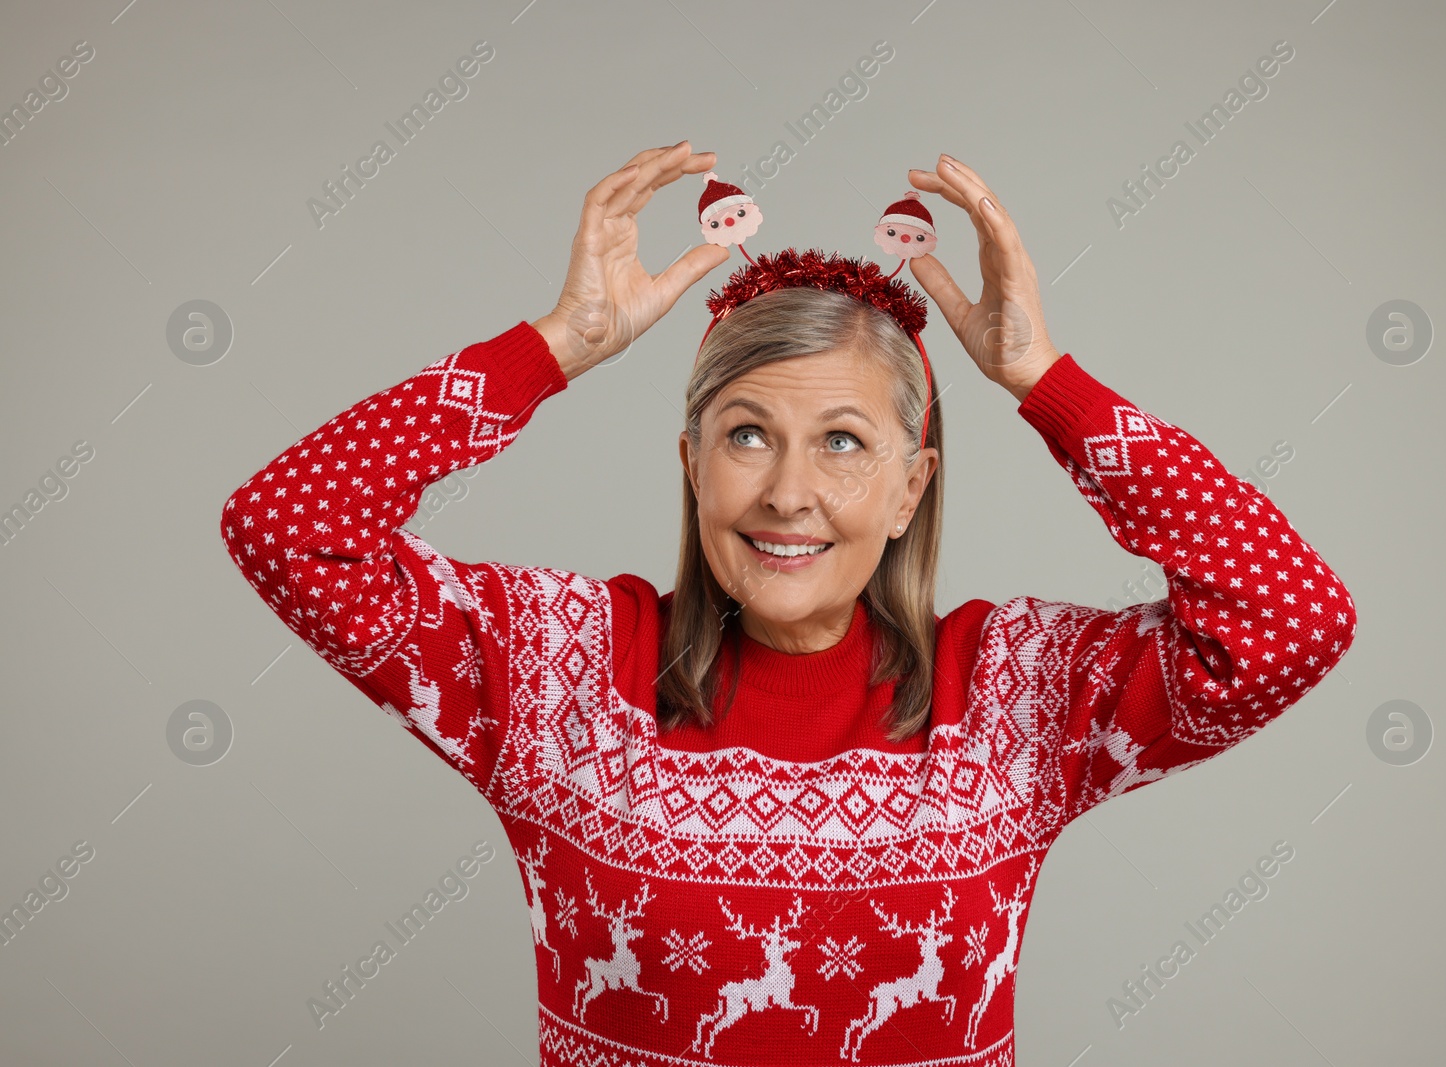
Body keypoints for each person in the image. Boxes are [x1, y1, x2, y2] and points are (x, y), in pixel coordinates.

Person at [221, 141, 1356, 1066]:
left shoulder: (1014, 695)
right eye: (747, 435)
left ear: (912, 486)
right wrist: (553, 348)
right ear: (691, 461)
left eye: (845, 443)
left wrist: (1042, 382)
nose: (789, 493)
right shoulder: (559, 669)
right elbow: (286, 526)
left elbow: (1291, 618)